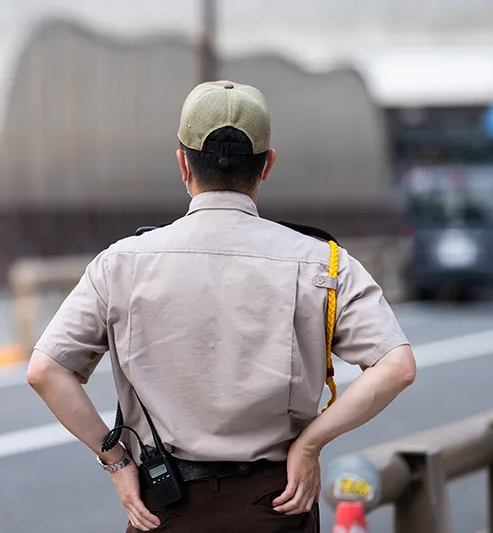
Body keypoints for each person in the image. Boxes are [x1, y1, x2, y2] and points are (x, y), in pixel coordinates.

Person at [26, 80, 417, 532]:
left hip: (164, 508)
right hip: (277, 505)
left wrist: (117, 461)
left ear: (183, 163)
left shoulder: (121, 263)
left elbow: (46, 371)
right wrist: (310, 444)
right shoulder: (321, 261)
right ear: (267, 165)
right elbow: (397, 367)